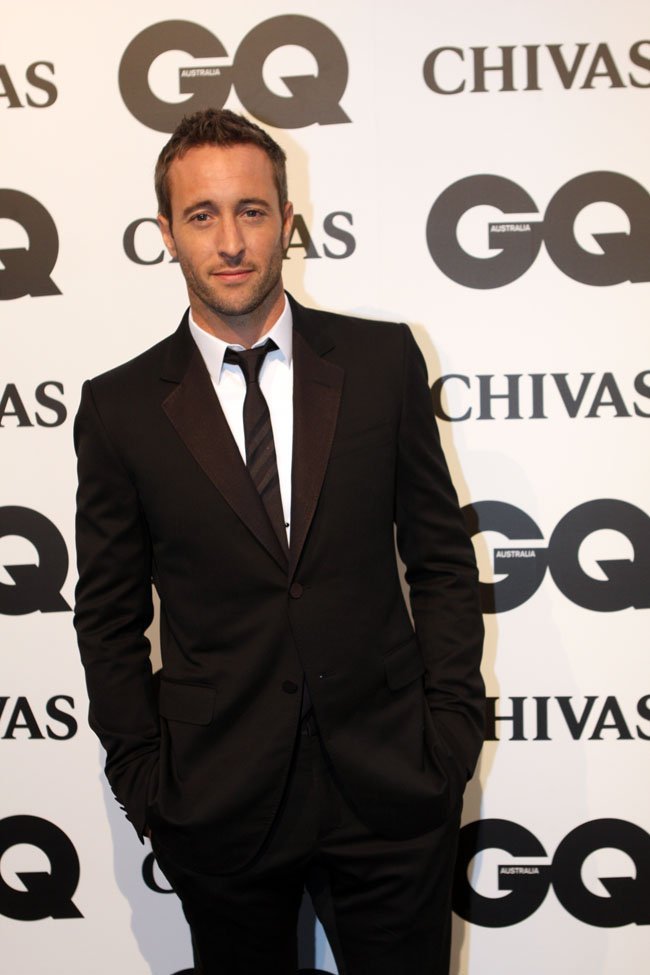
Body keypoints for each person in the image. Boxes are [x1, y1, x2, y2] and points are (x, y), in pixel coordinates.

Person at [74, 108, 484, 975]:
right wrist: (146, 781)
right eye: (202, 215)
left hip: (392, 789)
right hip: (217, 800)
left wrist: (448, 735)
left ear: (287, 221)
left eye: (251, 211)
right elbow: (107, 617)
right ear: (166, 233)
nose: (230, 241)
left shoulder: (381, 363)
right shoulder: (120, 408)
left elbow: (443, 561)